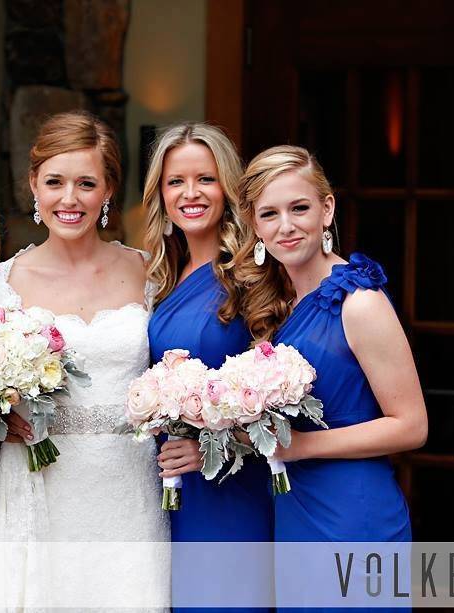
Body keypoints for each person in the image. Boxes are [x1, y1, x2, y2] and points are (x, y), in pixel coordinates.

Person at [0, 111, 170, 611]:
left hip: (127, 486)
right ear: (33, 185)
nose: (69, 199)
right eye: (55, 182)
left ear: (109, 189)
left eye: (86, 183)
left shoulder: (148, 272)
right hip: (37, 482)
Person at [228, 145, 427, 609]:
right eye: (270, 214)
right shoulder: (281, 304)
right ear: (255, 226)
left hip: (353, 514)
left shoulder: (359, 302)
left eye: (300, 208)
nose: (287, 226)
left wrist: (301, 448)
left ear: (327, 209)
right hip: (297, 509)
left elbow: (412, 425)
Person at [144, 123, 274, 611]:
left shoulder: (255, 275)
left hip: (228, 486)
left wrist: (220, 446)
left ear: (229, 188)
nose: (190, 193)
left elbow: (283, 387)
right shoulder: (159, 276)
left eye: (206, 178)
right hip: (167, 490)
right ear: (160, 192)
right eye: (176, 181)